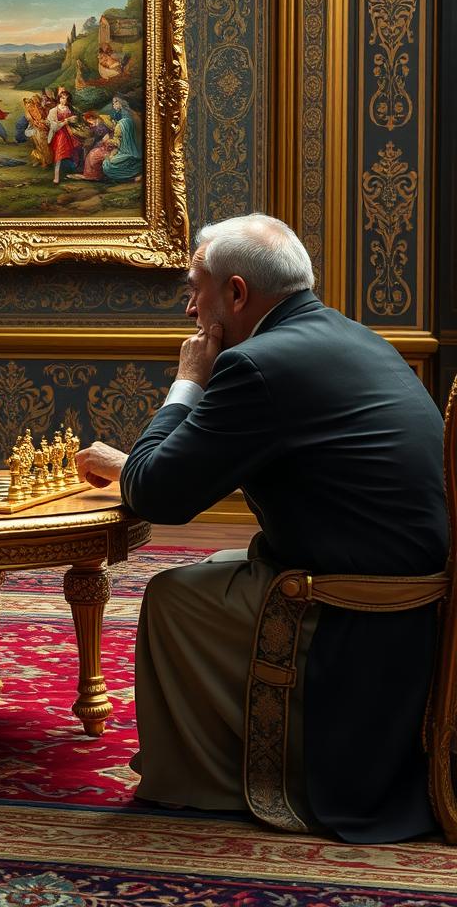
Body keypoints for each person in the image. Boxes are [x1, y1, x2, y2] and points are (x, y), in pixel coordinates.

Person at [76, 213, 447, 844]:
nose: (190, 306)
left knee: (173, 596)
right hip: (413, 593)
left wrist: (187, 381)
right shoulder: (352, 336)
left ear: (238, 293)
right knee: (219, 563)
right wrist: (136, 466)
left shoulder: (256, 364)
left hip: (355, 613)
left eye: (196, 287)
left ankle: (206, 779)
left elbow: (159, 494)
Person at [45, 87, 81, 184]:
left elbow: (75, 120)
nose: (63, 100)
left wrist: (73, 119)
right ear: (59, 98)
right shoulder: (53, 111)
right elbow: (55, 127)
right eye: (62, 98)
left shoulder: (69, 109)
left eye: (65, 98)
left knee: (75, 150)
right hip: (59, 135)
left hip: (69, 133)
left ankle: (73, 170)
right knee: (59, 155)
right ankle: (56, 177)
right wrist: (67, 121)